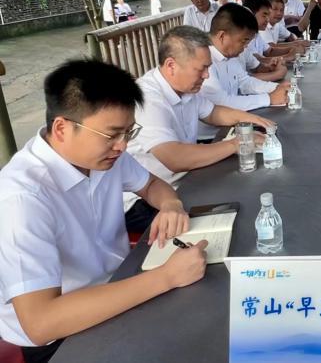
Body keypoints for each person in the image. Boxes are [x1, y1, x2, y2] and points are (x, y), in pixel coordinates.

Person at [0, 60, 205, 363]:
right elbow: (41, 323)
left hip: (122, 284)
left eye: (128, 133)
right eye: (112, 135)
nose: (122, 146)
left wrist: (170, 205)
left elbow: (151, 184)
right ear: (61, 128)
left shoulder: (103, 156)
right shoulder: (21, 198)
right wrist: (166, 277)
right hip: (64, 335)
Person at [123, 26, 274, 228]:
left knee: (246, 190)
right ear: (171, 65)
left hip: (183, 181)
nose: (206, 75)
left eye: (208, 68)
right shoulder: (148, 98)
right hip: (146, 199)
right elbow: (175, 158)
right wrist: (237, 143)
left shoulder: (184, 88)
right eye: (201, 69)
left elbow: (212, 112)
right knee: (230, 219)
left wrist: (252, 119)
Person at [198, 4, 289, 139]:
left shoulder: (229, 55)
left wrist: (276, 88)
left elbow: (245, 82)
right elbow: (222, 103)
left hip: (234, 126)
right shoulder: (202, 60)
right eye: (244, 41)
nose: (246, 47)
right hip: (211, 137)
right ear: (222, 36)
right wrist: (269, 98)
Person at [240, 0, 289, 80]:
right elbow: (242, 81)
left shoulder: (256, 34)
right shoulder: (241, 41)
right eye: (264, 15)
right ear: (250, 15)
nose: (267, 19)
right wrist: (290, 56)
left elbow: (259, 65)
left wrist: (271, 66)